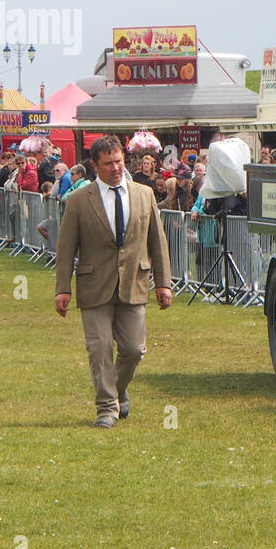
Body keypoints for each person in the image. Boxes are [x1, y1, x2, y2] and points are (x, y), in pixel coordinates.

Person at [55, 135, 171, 428]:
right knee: (100, 348)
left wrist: (164, 283)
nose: (116, 168)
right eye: (108, 164)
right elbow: (66, 247)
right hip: (94, 285)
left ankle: (118, 390)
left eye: (119, 161)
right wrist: (62, 288)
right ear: (95, 166)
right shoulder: (79, 200)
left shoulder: (144, 195)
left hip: (135, 282)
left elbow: (157, 241)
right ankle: (106, 407)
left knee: (133, 349)